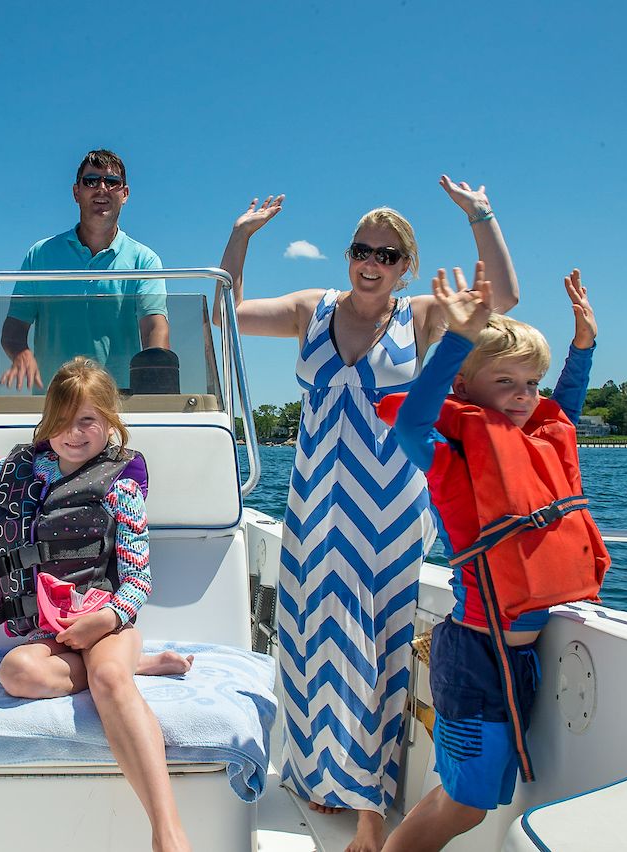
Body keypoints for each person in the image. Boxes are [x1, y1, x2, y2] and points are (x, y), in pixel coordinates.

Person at [215, 179, 519, 852]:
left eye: (386, 253)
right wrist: (243, 234)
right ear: (349, 255)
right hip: (314, 504)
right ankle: (320, 778)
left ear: (405, 265)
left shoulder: (420, 318)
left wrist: (481, 217)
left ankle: (370, 813)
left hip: (389, 513)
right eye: (361, 249)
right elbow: (222, 311)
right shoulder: (311, 309)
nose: (371, 261)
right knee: (307, 645)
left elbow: (503, 297)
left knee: (375, 654)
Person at [377, 266, 607, 851]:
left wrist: (584, 346)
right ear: (464, 387)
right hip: (479, 657)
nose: (525, 396)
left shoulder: (532, 442)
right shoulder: (451, 462)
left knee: (458, 793)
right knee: (467, 807)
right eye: (506, 381)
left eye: (533, 382)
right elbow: (410, 422)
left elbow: (565, 411)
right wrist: (455, 338)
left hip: (510, 658)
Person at [0, 345, 192, 852]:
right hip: (51, 634)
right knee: (16, 673)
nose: (74, 431)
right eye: (62, 419)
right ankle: (143, 665)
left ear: (109, 423)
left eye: (87, 419)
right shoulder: (24, 473)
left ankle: (167, 832)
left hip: (106, 621)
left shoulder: (119, 487)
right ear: (47, 423)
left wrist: (105, 620)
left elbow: (138, 581)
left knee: (108, 677)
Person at [0, 149, 169, 391]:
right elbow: (14, 328)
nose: (102, 188)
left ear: (125, 194)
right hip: (53, 403)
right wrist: (21, 353)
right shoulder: (40, 255)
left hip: (118, 406)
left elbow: (155, 328)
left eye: (112, 182)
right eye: (91, 181)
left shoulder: (145, 260)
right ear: (76, 192)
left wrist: (156, 386)